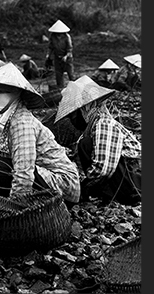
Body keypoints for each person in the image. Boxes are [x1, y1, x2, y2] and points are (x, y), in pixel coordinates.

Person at [0, 63, 81, 206]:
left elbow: (24, 171)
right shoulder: (7, 118)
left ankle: (28, 204)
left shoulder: (21, 123)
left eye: (0, 92)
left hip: (63, 185)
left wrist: (15, 204)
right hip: (41, 176)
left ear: (16, 94)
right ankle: (24, 200)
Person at [55, 76, 141, 205]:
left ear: (86, 108)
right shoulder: (96, 125)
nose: (73, 119)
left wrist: (82, 187)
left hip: (135, 183)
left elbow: (102, 169)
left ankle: (123, 196)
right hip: (130, 180)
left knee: (86, 145)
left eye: (74, 114)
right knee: (85, 144)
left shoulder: (104, 123)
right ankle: (110, 195)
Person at [45, 19, 75, 88]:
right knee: (58, 74)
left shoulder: (67, 37)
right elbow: (50, 47)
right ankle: (60, 88)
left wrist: (66, 56)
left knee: (70, 74)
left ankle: (74, 87)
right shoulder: (52, 36)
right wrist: (48, 55)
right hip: (57, 57)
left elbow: (69, 49)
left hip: (67, 57)